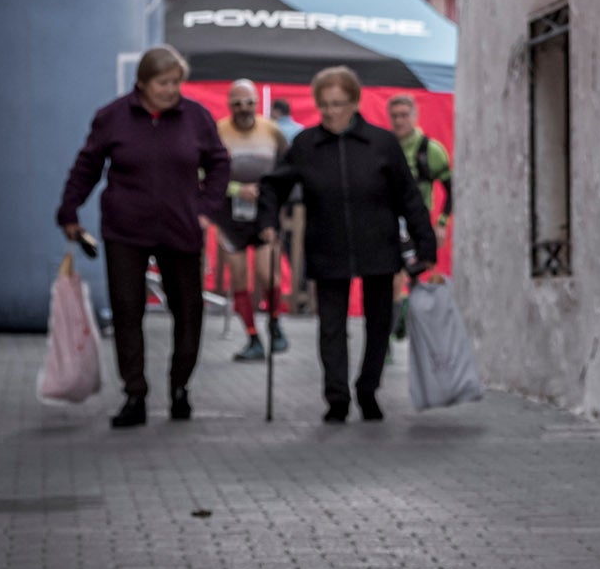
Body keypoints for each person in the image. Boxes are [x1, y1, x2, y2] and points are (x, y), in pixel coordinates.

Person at [57, 45, 231, 428]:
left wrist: (205, 209)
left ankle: (180, 387)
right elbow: (88, 165)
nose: (172, 90)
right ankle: (134, 393)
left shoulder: (196, 118)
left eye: (176, 83)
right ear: (143, 83)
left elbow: (219, 162)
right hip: (126, 228)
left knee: (188, 310)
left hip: (181, 227)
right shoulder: (113, 117)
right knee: (127, 310)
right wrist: (69, 210)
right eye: (163, 83)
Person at [257, 65, 436, 423]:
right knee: (331, 327)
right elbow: (273, 185)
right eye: (323, 104)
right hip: (327, 245)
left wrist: (425, 244)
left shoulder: (381, 143)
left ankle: (368, 390)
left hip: (379, 245)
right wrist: (267, 222)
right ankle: (336, 396)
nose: (330, 112)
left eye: (337, 103)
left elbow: (409, 197)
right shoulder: (306, 144)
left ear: (354, 102)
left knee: (379, 323)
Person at [215, 79, 290, 360]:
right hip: (228, 215)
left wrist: (272, 194)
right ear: (229, 105)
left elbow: (287, 169)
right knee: (238, 277)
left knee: (266, 271)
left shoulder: (272, 131)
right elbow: (204, 175)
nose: (243, 108)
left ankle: (275, 326)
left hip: (263, 213)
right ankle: (252, 337)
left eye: (248, 103)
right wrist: (236, 189)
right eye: (237, 103)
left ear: (258, 104)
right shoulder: (218, 131)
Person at [385, 93, 453, 340]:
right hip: (389, 223)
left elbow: (451, 189)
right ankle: (389, 339)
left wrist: (442, 223)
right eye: (395, 116)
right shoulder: (385, 148)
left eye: (404, 115)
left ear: (414, 116)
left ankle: (405, 321)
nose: (399, 121)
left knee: (414, 277)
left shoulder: (430, 150)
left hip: (417, 223)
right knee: (392, 278)